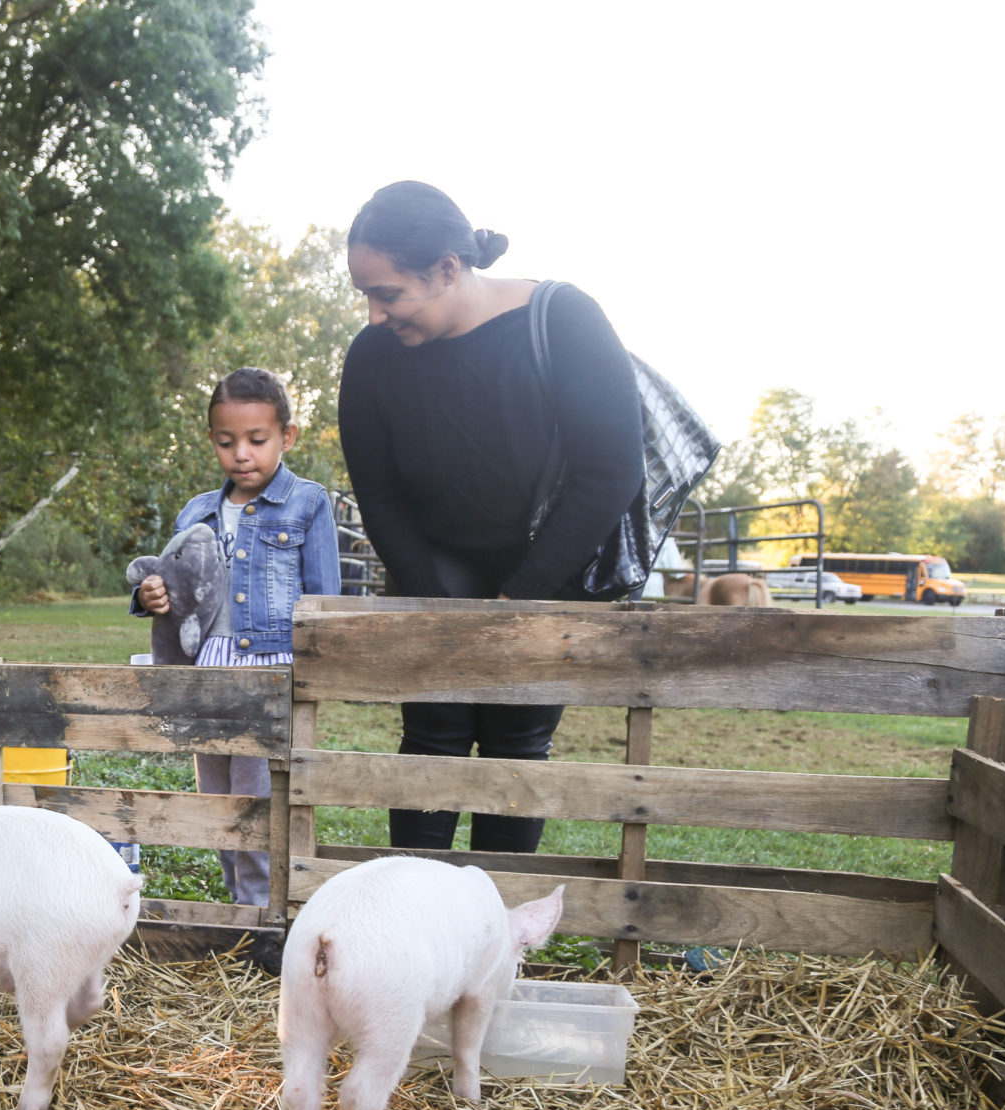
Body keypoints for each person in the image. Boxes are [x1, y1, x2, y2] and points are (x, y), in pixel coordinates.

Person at [336, 180, 643, 854]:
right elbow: (380, 496)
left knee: (517, 739)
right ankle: (415, 927)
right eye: (365, 293)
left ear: (447, 268)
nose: (375, 312)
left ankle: (496, 925)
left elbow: (611, 471)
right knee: (433, 735)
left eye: (387, 293)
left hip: (544, 566)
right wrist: (437, 608)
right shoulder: (371, 359)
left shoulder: (564, 319)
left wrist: (518, 600)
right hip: (434, 565)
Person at [134, 368, 340, 906]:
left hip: (265, 676)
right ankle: (237, 903)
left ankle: (262, 910)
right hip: (205, 674)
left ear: (287, 437)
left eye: (257, 440)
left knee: (256, 799)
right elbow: (173, 584)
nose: (241, 454)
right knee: (216, 801)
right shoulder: (197, 511)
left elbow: (325, 602)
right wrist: (149, 596)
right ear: (212, 441)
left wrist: (310, 679)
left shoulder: (308, 504)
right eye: (227, 443)